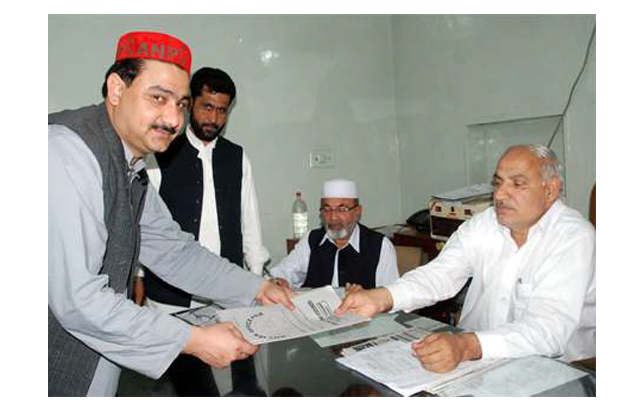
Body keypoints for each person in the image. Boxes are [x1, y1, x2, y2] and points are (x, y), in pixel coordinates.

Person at [48, 31, 293, 397]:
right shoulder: (67, 154)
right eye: (158, 98)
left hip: (98, 362)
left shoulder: (131, 166)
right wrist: (192, 340)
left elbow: (174, 252)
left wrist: (257, 287)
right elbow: (79, 300)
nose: (173, 119)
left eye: (180, 104)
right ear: (116, 89)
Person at [337, 145, 595, 373]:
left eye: (517, 184)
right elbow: (441, 274)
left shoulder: (574, 237)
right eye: (498, 183)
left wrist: (467, 345)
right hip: (477, 365)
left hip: (554, 371)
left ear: (551, 190)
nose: (501, 195)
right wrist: (382, 297)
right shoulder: (485, 223)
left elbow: (546, 331)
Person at [134, 67, 269, 396]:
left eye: (222, 110)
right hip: (172, 300)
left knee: (242, 387)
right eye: (207, 106)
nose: (214, 117)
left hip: (228, 294)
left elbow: (250, 222)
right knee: (186, 389)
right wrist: (137, 274)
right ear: (190, 103)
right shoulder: (161, 153)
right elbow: (142, 223)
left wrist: (256, 279)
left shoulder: (236, 157)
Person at [270, 179, 399, 290]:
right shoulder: (312, 240)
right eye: (327, 209)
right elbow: (282, 272)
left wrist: (368, 297)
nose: (333, 217)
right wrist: (278, 281)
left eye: (342, 209)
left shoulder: (379, 246)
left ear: (358, 211)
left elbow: (391, 297)